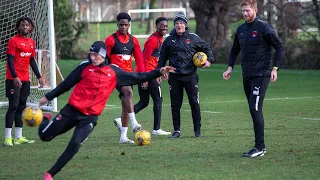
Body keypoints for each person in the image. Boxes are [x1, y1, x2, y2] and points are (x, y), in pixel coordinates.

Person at [39, 41, 175, 180]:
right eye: (91, 54)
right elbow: (66, 84)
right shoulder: (84, 67)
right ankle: (46, 118)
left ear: (104, 56)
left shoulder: (113, 71)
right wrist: (48, 97)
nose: (93, 58)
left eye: (97, 55)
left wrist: (159, 71)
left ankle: (50, 174)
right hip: (72, 110)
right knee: (45, 136)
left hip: (90, 118)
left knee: (75, 143)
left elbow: (137, 77)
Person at [223, 0, 284, 158]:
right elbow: (234, 50)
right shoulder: (241, 29)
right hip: (247, 75)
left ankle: (260, 147)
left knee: (254, 108)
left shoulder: (264, 28)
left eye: (248, 10)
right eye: (243, 11)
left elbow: (279, 47)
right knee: (253, 109)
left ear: (255, 10)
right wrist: (230, 67)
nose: (245, 14)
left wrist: (275, 68)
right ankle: (259, 146)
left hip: (262, 74)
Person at [158, 12, 214, 138]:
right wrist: (161, 70)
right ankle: (177, 131)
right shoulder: (169, 40)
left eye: (181, 23)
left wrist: (209, 60)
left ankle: (197, 130)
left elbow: (206, 48)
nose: (179, 25)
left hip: (190, 76)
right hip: (175, 77)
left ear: (185, 25)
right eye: (177, 23)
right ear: (174, 25)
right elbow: (162, 57)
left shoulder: (193, 38)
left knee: (194, 103)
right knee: (175, 105)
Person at [104, 12, 145, 144]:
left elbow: (139, 60)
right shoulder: (110, 40)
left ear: (129, 25)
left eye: (126, 25)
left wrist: (143, 77)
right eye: (121, 25)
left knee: (124, 105)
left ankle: (123, 137)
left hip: (128, 75)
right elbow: (104, 59)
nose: (123, 27)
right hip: (115, 74)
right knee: (128, 92)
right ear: (117, 25)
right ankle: (134, 123)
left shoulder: (134, 41)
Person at [4, 17, 45, 146]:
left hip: (26, 79)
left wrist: (39, 76)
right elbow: (10, 60)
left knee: (21, 107)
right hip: (13, 79)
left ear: (31, 28)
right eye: (22, 25)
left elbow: (32, 61)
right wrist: (15, 76)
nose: (25, 27)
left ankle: (19, 137)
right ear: (18, 27)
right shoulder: (13, 41)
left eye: (27, 25)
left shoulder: (32, 42)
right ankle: (7, 138)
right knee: (13, 106)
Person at [133, 17, 171, 135]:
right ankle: (156, 129)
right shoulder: (153, 40)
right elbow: (143, 59)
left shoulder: (159, 40)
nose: (164, 28)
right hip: (147, 75)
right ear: (156, 26)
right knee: (158, 99)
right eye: (161, 25)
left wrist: (160, 71)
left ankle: (121, 118)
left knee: (144, 102)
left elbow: (154, 60)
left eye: (165, 26)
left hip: (148, 74)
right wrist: (145, 78)